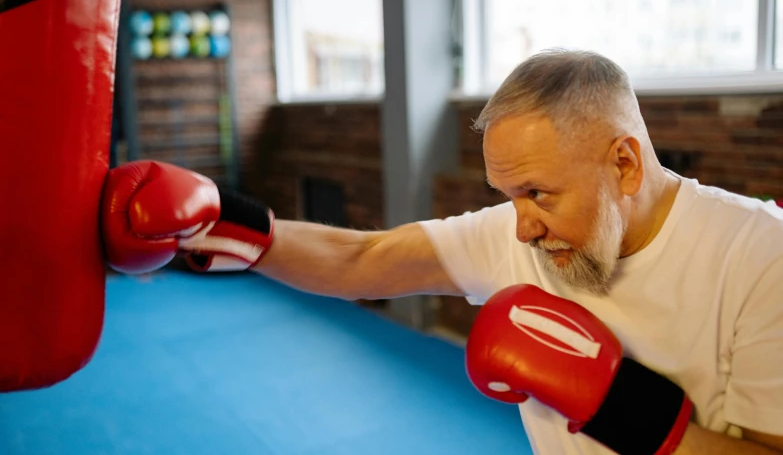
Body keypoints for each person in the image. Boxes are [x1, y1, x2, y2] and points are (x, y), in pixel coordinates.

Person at [101, 49, 783, 454]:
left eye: (539, 194)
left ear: (625, 165)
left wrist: (618, 406)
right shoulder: (517, 232)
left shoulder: (757, 255)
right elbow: (358, 261)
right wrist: (227, 224)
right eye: (506, 195)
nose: (520, 228)